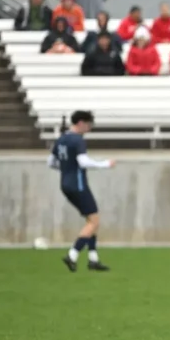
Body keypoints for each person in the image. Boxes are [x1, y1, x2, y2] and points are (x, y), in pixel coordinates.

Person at [47, 110, 114, 272]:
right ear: (81, 123)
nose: (89, 128)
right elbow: (83, 162)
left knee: (92, 219)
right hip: (78, 184)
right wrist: (105, 164)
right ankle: (72, 255)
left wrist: (67, 169)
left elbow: (51, 162)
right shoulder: (77, 140)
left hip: (65, 184)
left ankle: (93, 259)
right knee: (94, 221)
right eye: (89, 125)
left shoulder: (61, 139)